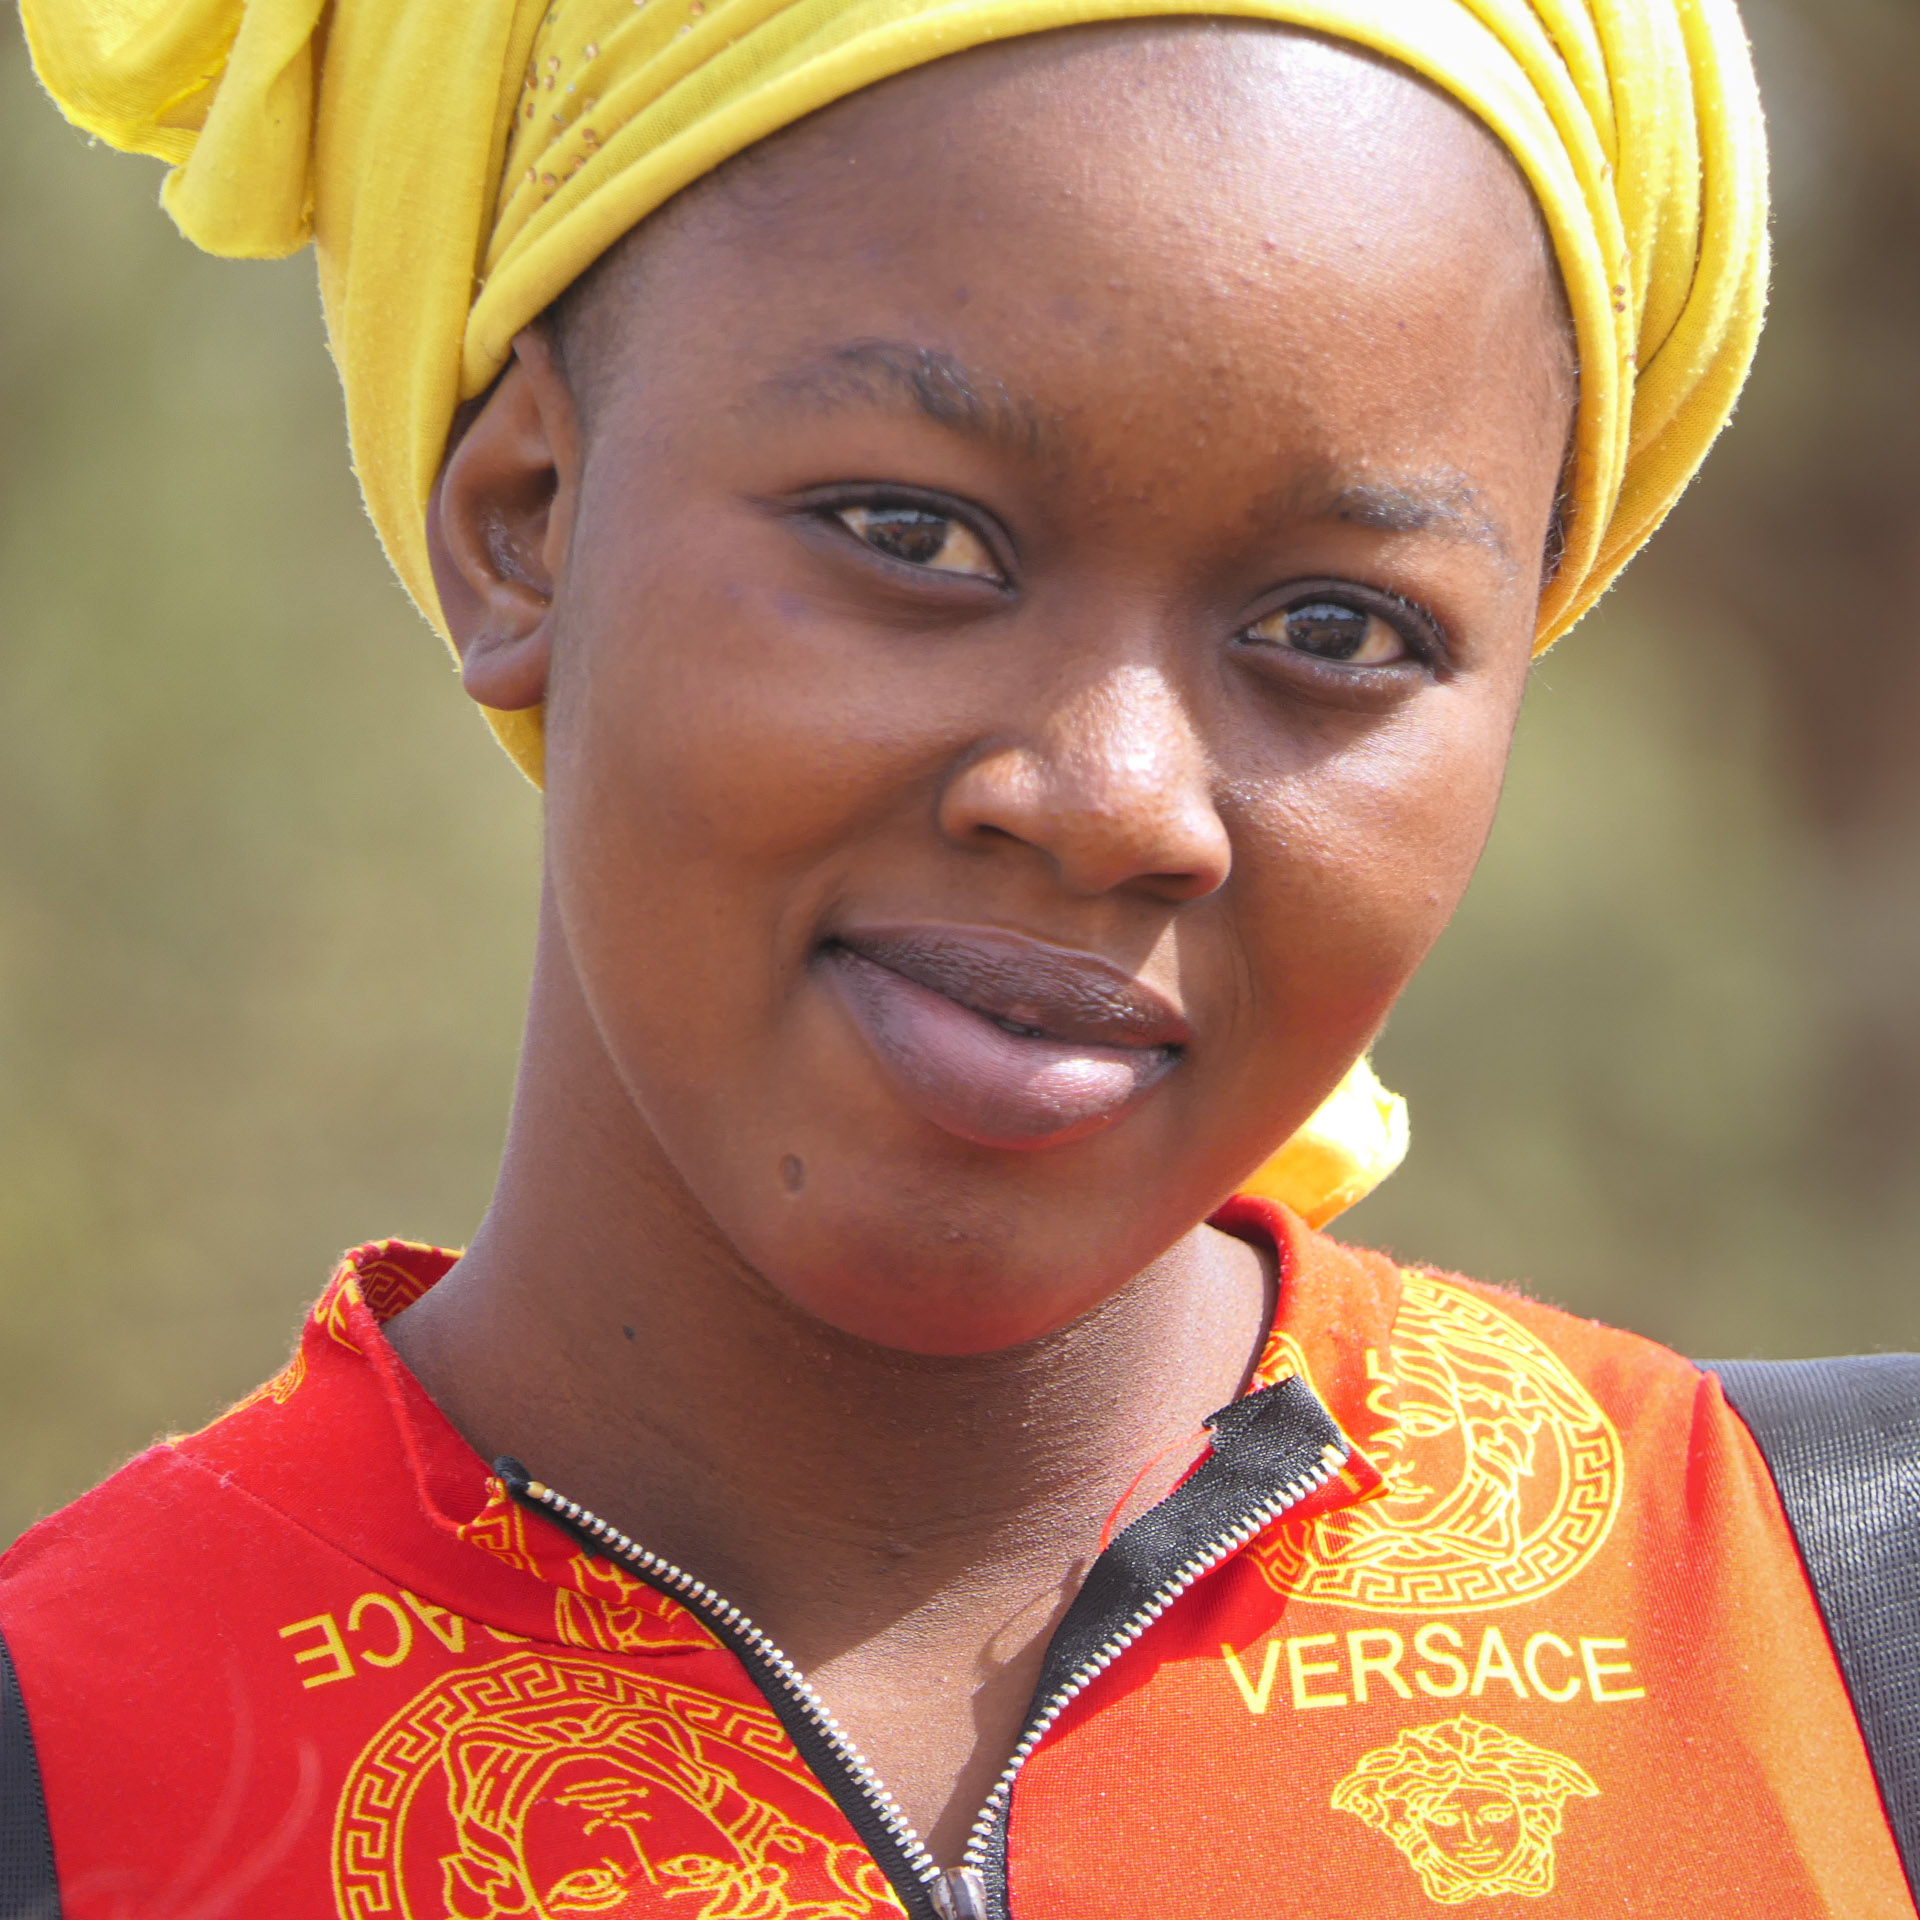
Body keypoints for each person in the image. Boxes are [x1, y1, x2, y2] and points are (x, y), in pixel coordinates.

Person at [7, 0, 1906, 1914]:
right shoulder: (70, 1773)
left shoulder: (1833, 1638)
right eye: (914, 534)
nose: (1114, 795)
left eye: (1340, 631)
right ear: (527, 525)